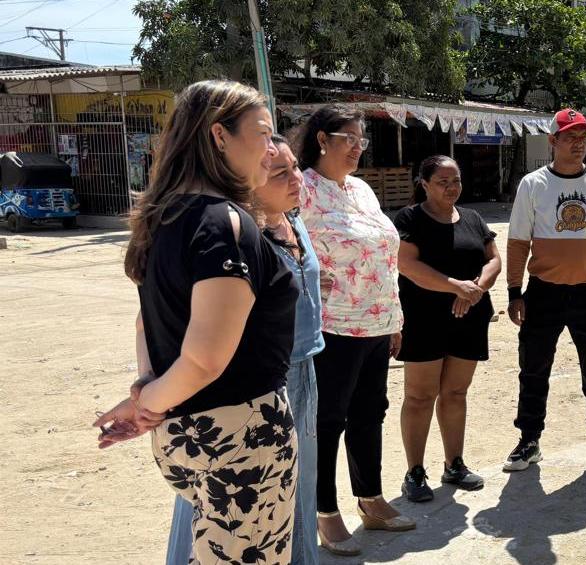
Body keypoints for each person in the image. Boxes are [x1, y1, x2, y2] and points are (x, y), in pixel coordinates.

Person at [94, 79, 298, 564]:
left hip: (189, 433)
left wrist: (149, 394)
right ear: (219, 136)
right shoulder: (224, 224)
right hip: (241, 434)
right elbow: (205, 359)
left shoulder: (164, 216)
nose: (272, 150)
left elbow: (147, 322)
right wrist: (147, 402)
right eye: (263, 134)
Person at [162, 137, 325, 564]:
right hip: (254, 384)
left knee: (297, 487)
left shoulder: (292, 220)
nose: (296, 179)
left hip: (303, 366)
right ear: (249, 177)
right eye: (280, 172)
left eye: (295, 167)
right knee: (223, 500)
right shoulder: (234, 234)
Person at [295, 105, 412, 556]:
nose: (357, 148)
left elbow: (385, 256)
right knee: (328, 420)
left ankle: (371, 498)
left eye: (362, 140)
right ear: (322, 139)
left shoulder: (361, 189)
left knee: (370, 413)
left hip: (376, 322)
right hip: (333, 325)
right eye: (349, 139)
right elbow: (284, 244)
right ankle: (325, 511)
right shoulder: (302, 187)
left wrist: (394, 319)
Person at [504, 108, 586, 478]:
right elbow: (518, 241)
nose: (579, 143)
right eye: (570, 136)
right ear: (552, 141)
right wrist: (514, 292)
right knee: (533, 368)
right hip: (543, 294)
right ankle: (529, 440)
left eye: (583, 137)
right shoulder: (533, 184)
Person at [395, 155, 500, 501]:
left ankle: (454, 463)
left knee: (456, 393)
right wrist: (456, 286)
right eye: (443, 182)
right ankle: (414, 471)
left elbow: (493, 259)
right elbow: (407, 265)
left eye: (456, 181)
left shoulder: (472, 218)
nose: (452, 188)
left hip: (468, 317)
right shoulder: (410, 218)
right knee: (420, 396)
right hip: (423, 318)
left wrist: (475, 290)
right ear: (424, 184)